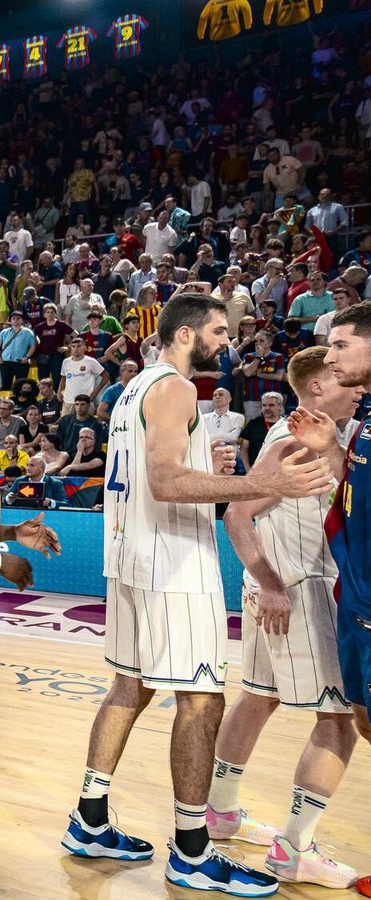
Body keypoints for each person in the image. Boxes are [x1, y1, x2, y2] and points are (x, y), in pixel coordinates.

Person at [64, 293, 332, 896]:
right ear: (186, 334)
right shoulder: (178, 389)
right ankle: (191, 850)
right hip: (174, 567)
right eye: (217, 330)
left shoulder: (132, 389)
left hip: (129, 559)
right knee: (203, 701)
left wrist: (207, 468)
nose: (226, 341)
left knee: (129, 687)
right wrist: (263, 482)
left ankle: (90, 818)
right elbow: (162, 481)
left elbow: (157, 471)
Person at [209, 348, 363, 889]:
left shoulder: (316, 435)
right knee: (339, 718)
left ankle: (221, 811)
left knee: (257, 696)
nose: (357, 386)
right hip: (297, 590)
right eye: (344, 378)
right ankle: (295, 848)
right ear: (318, 386)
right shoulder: (298, 440)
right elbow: (238, 513)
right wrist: (272, 584)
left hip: (277, 587)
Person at [294, 301, 371, 897]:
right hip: (356, 598)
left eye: (342, 344)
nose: (332, 354)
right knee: (363, 723)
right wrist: (331, 449)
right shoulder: (363, 417)